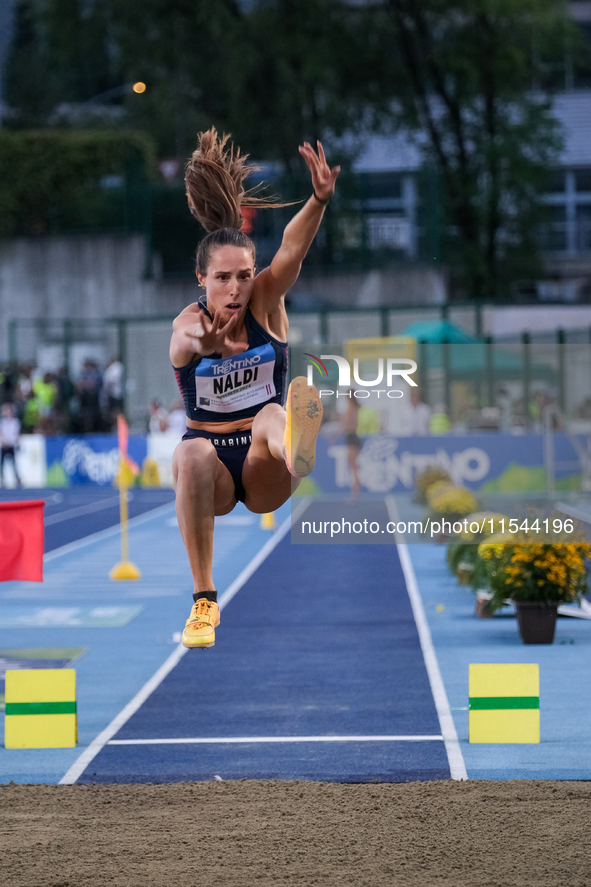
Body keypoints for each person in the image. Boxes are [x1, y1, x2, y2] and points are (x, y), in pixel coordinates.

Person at [170, 128, 339, 649]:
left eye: (244, 275)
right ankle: (204, 604)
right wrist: (205, 338)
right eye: (223, 278)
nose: (236, 288)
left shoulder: (265, 301)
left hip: (266, 463)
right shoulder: (188, 323)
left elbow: (291, 249)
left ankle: (299, 450)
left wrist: (318, 200)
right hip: (215, 471)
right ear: (202, 279)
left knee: (273, 414)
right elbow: (184, 341)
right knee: (192, 452)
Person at [0, 403, 22, 487]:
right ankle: (2, 478)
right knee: (2, 463)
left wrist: (15, 442)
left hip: (11, 445)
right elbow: (1, 433)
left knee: (14, 463)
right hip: (4, 445)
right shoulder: (2, 422)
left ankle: (17, 478)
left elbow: (15, 434)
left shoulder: (15, 422)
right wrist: (3, 441)